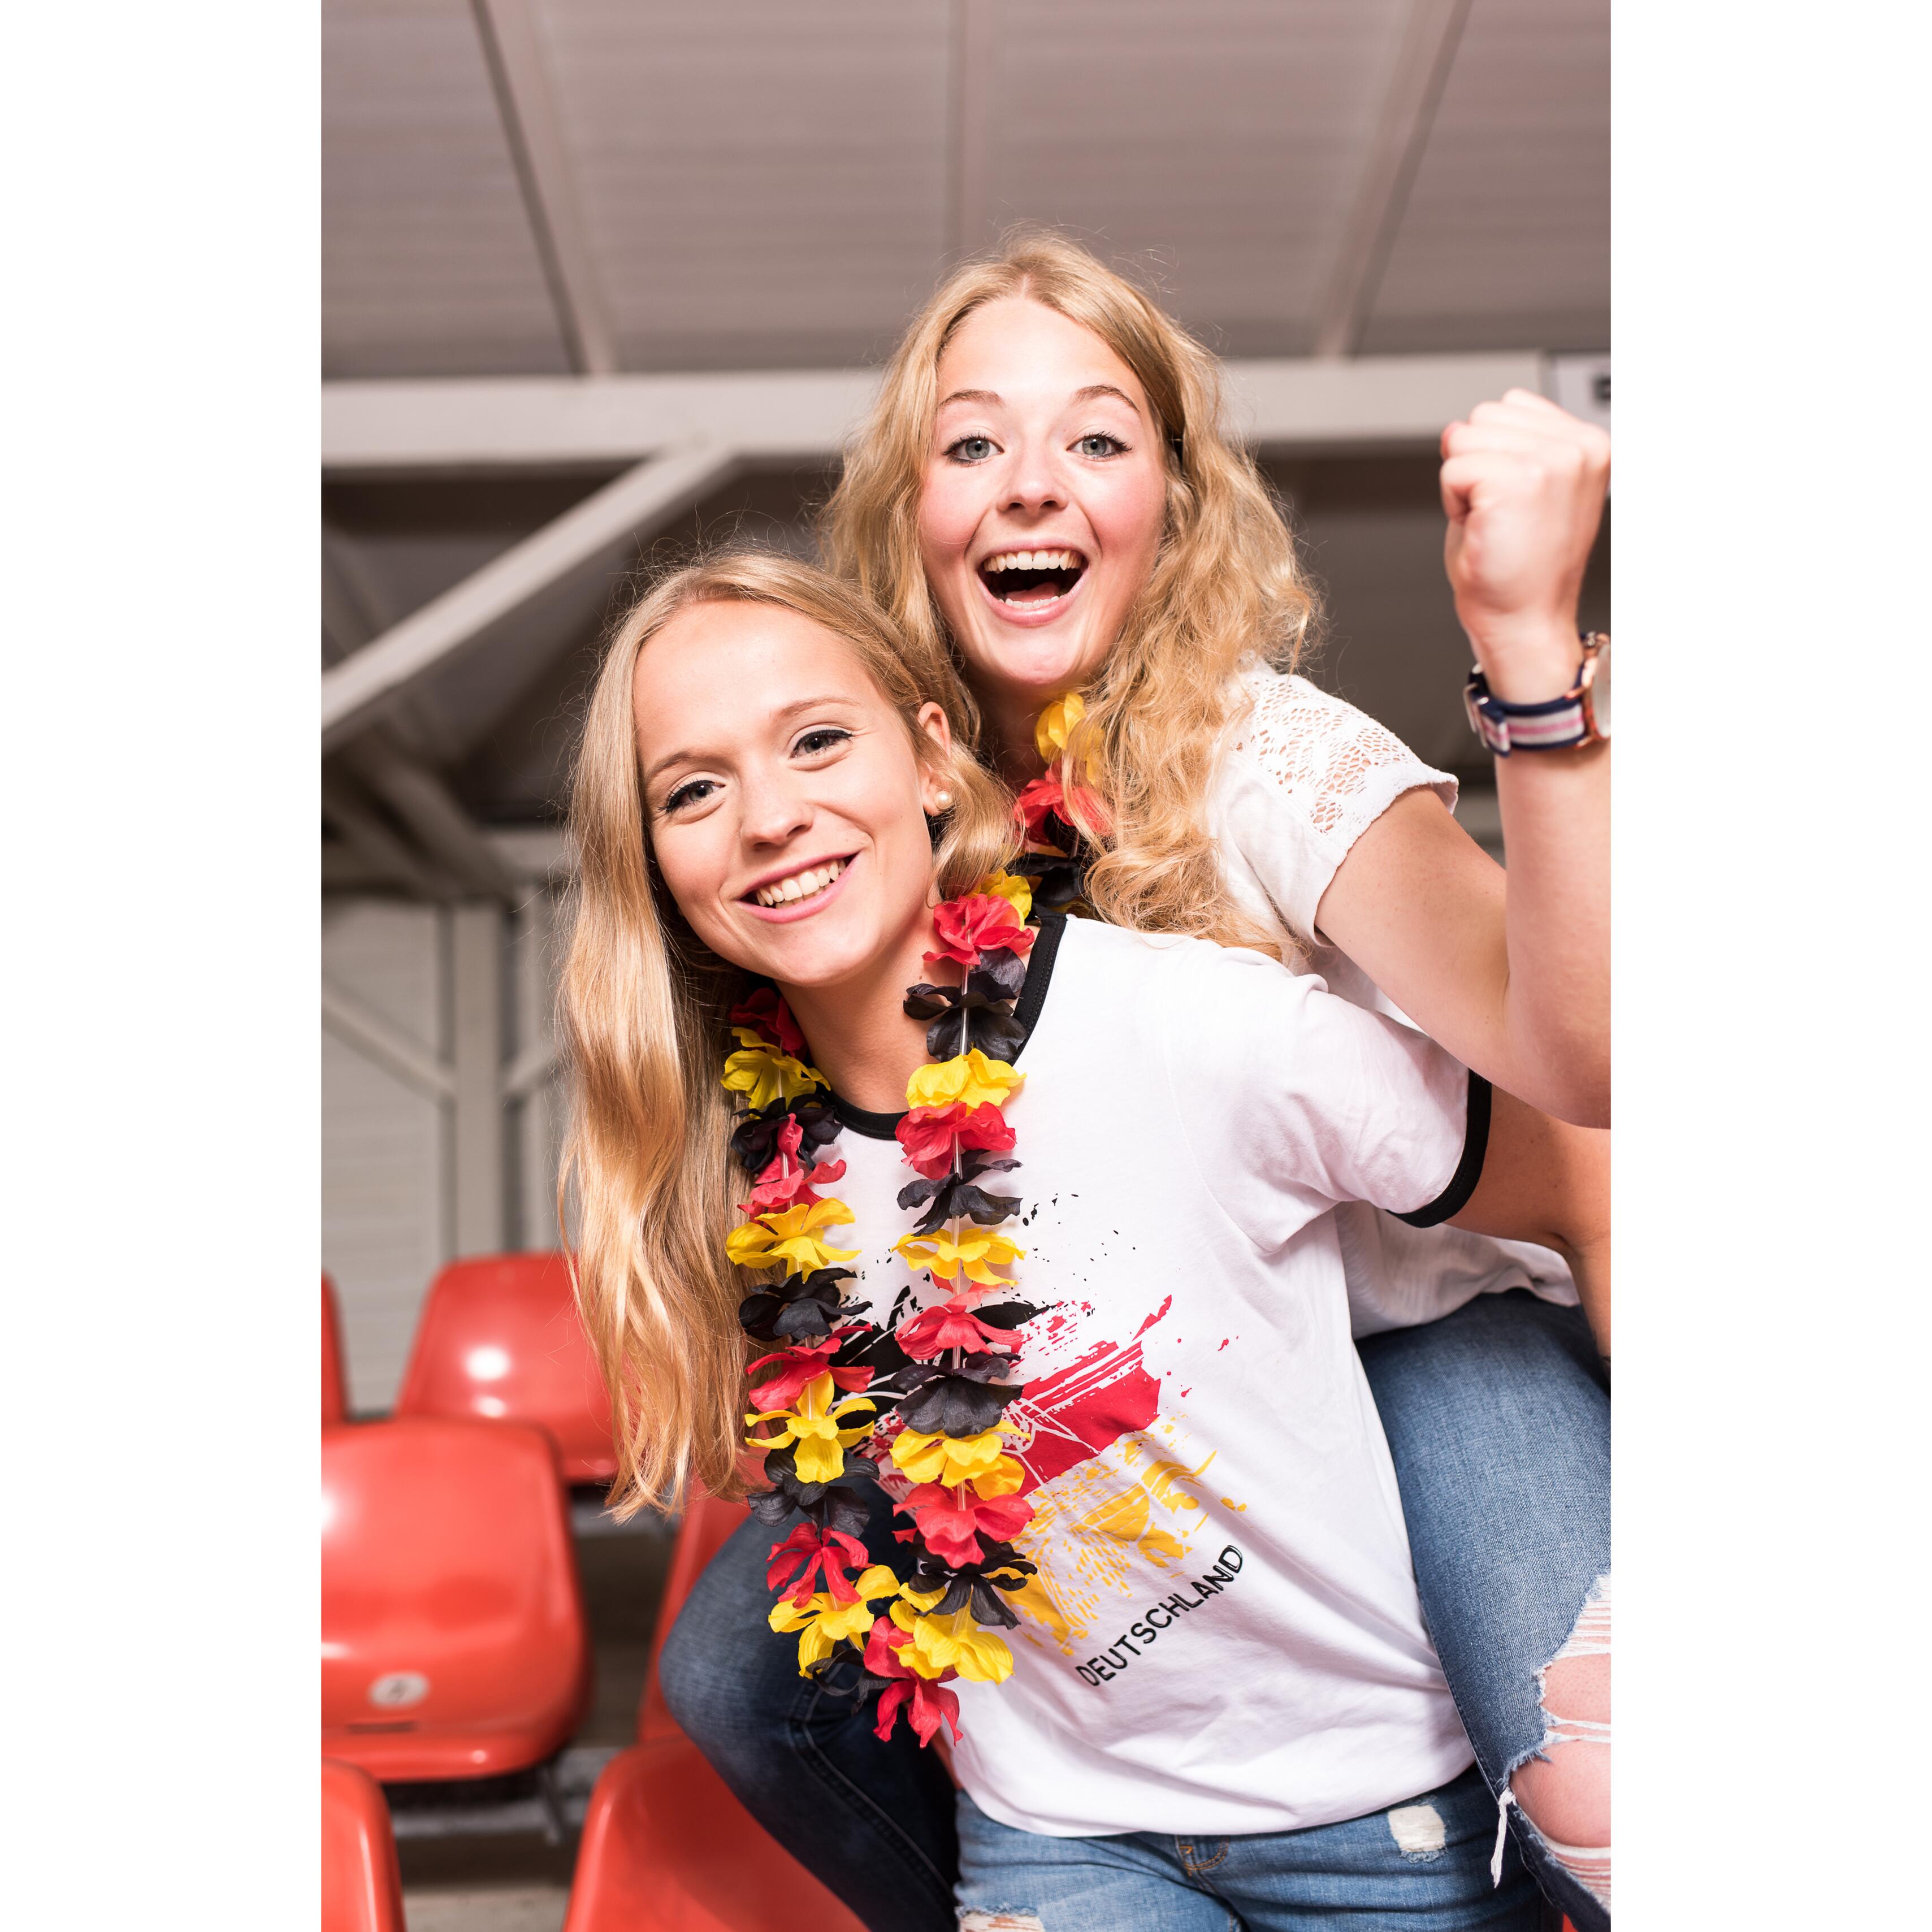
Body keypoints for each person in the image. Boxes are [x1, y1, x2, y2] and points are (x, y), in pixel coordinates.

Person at [643, 236, 1612, 1930]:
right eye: (972, 442)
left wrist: (1529, 662)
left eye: (1095, 437)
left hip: (1419, 1324)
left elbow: (1582, 1076)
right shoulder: (860, 800)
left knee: (1597, 1778)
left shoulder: (1267, 755)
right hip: (1128, 1383)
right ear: (910, 508)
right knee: (743, 1676)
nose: (1032, 481)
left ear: (1172, 500)